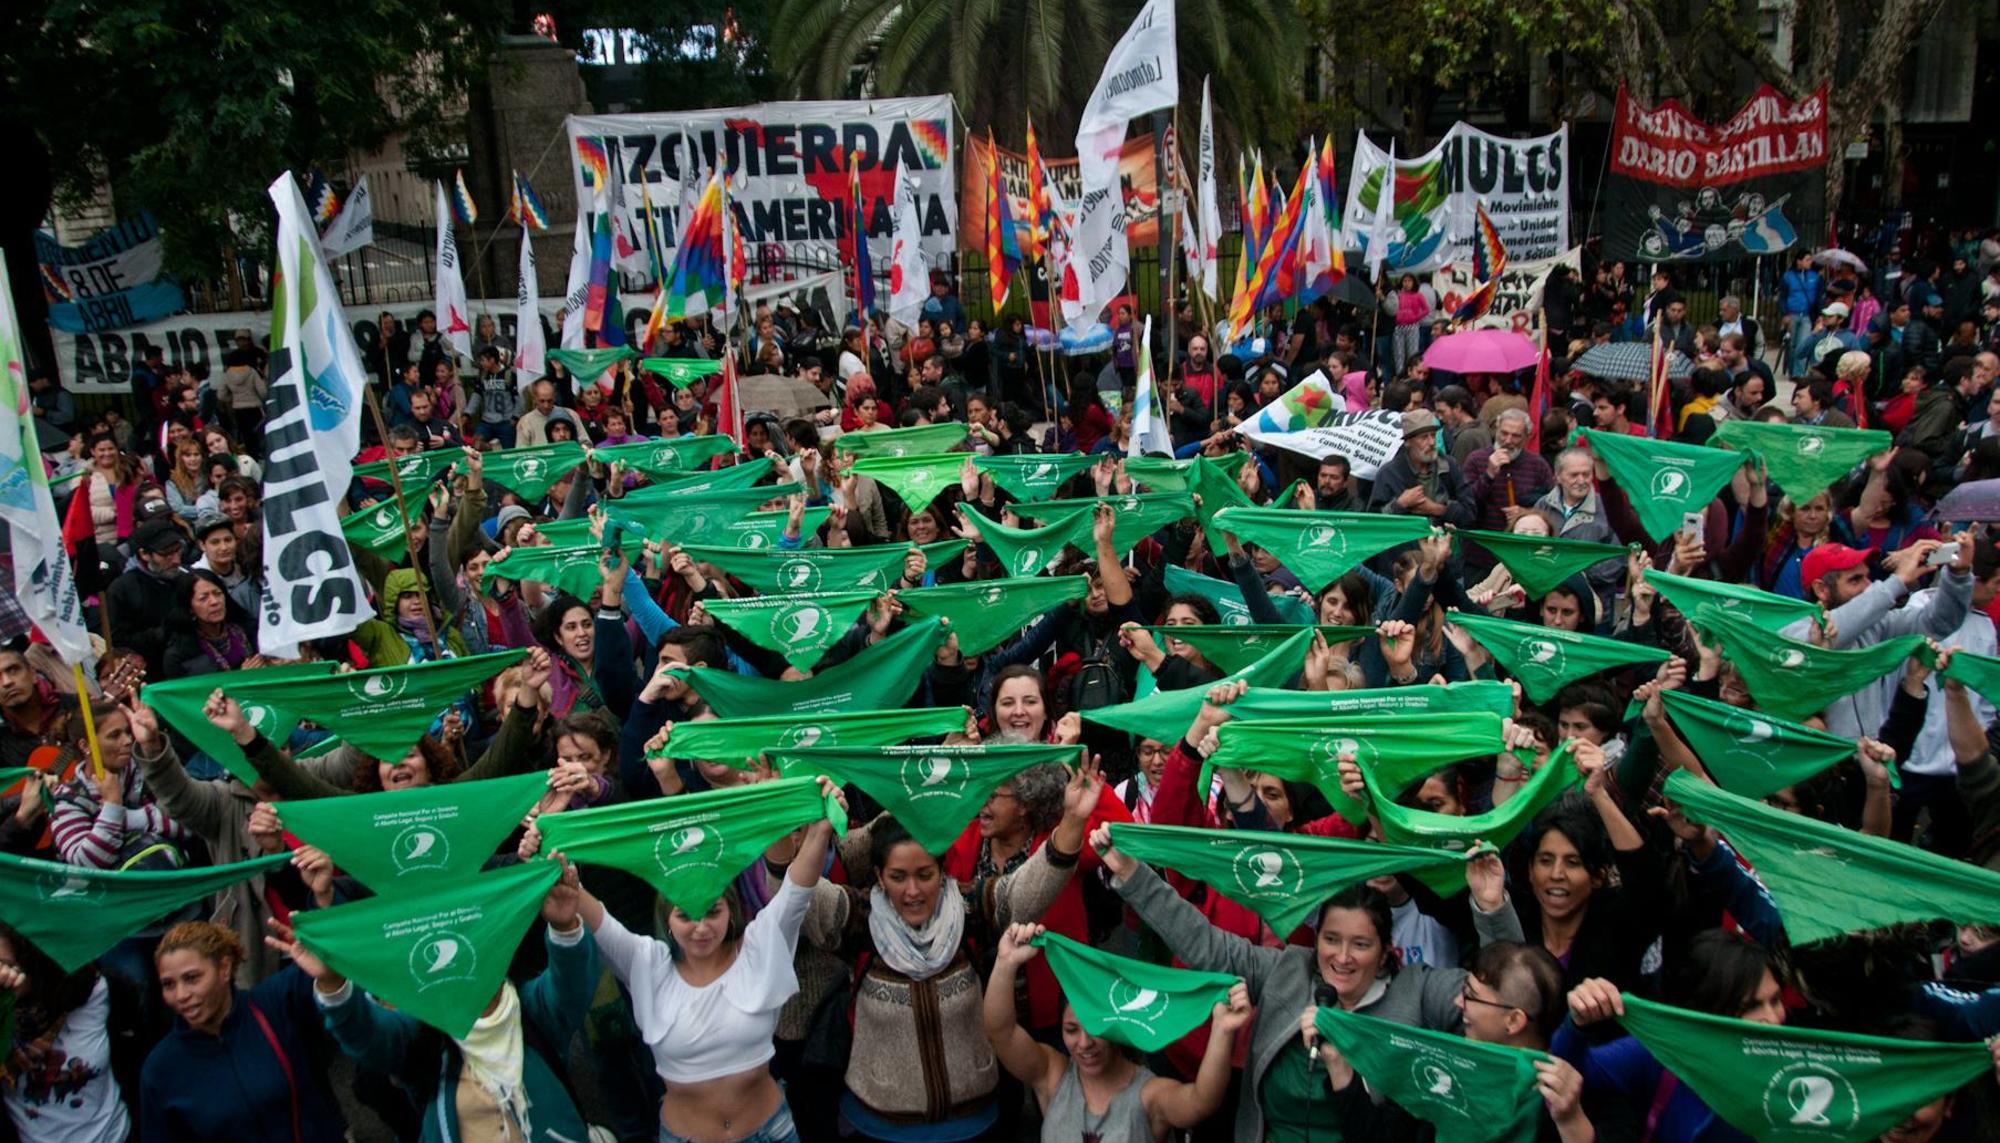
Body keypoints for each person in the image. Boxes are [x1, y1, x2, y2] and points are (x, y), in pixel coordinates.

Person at [1091, 823, 1520, 1141]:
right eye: (1331, 940)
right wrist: (1133, 875)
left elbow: (1503, 992)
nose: (1342, 957)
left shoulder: (1418, 991)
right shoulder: (1288, 971)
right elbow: (1206, 945)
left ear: (1387, 949)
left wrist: (1490, 905)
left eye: (1361, 944)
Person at [983, 922, 1252, 1143]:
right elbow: (1001, 1033)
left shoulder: (1149, 1095)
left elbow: (1202, 1101)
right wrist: (1006, 962)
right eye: (1071, 1030)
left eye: (1096, 1029)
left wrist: (1222, 1031)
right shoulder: (1052, 1077)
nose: (1085, 1043)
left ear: (1118, 1024)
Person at [140, 920, 347, 1142]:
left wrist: (324, 902)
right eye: (168, 984)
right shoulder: (160, 1069)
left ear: (224, 968)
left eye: (192, 978)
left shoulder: (277, 1003)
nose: (181, 995)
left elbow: (344, 952)